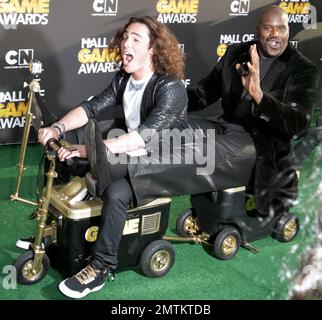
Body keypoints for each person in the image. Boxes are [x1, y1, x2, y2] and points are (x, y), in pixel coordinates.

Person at [16, 16, 256, 298]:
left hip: (170, 162)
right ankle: (56, 232)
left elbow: (144, 137)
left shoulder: (171, 88)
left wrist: (88, 150)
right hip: (138, 156)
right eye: (125, 36)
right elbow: (92, 107)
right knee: (81, 166)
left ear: (153, 49)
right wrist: (58, 127)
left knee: (115, 190)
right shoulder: (124, 78)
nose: (125, 43)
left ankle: (101, 267)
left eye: (135, 39)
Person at [187, 5, 319, 217]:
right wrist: (170, 101)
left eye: (282, 29)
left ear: (288, 30)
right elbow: (203, 94)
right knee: (177, 129)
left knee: (201, 148)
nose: (275, 35)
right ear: (258, 30)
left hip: (263, 139)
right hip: (226, 125)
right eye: (268, 28)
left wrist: (258, 95)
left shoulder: (302, 69)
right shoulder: (235, 53)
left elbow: (298, 126)